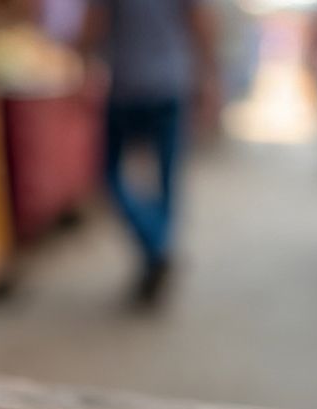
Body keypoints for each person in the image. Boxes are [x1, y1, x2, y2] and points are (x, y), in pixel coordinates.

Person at [83, 0, 216, 301]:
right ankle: (158, 247)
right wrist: (209, 77)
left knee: (111, 175)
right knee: (166, 180)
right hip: (169, 86)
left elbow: (94, 27)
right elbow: (201, 25)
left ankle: (154, 249)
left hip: (126, 88)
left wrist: (80, 57)